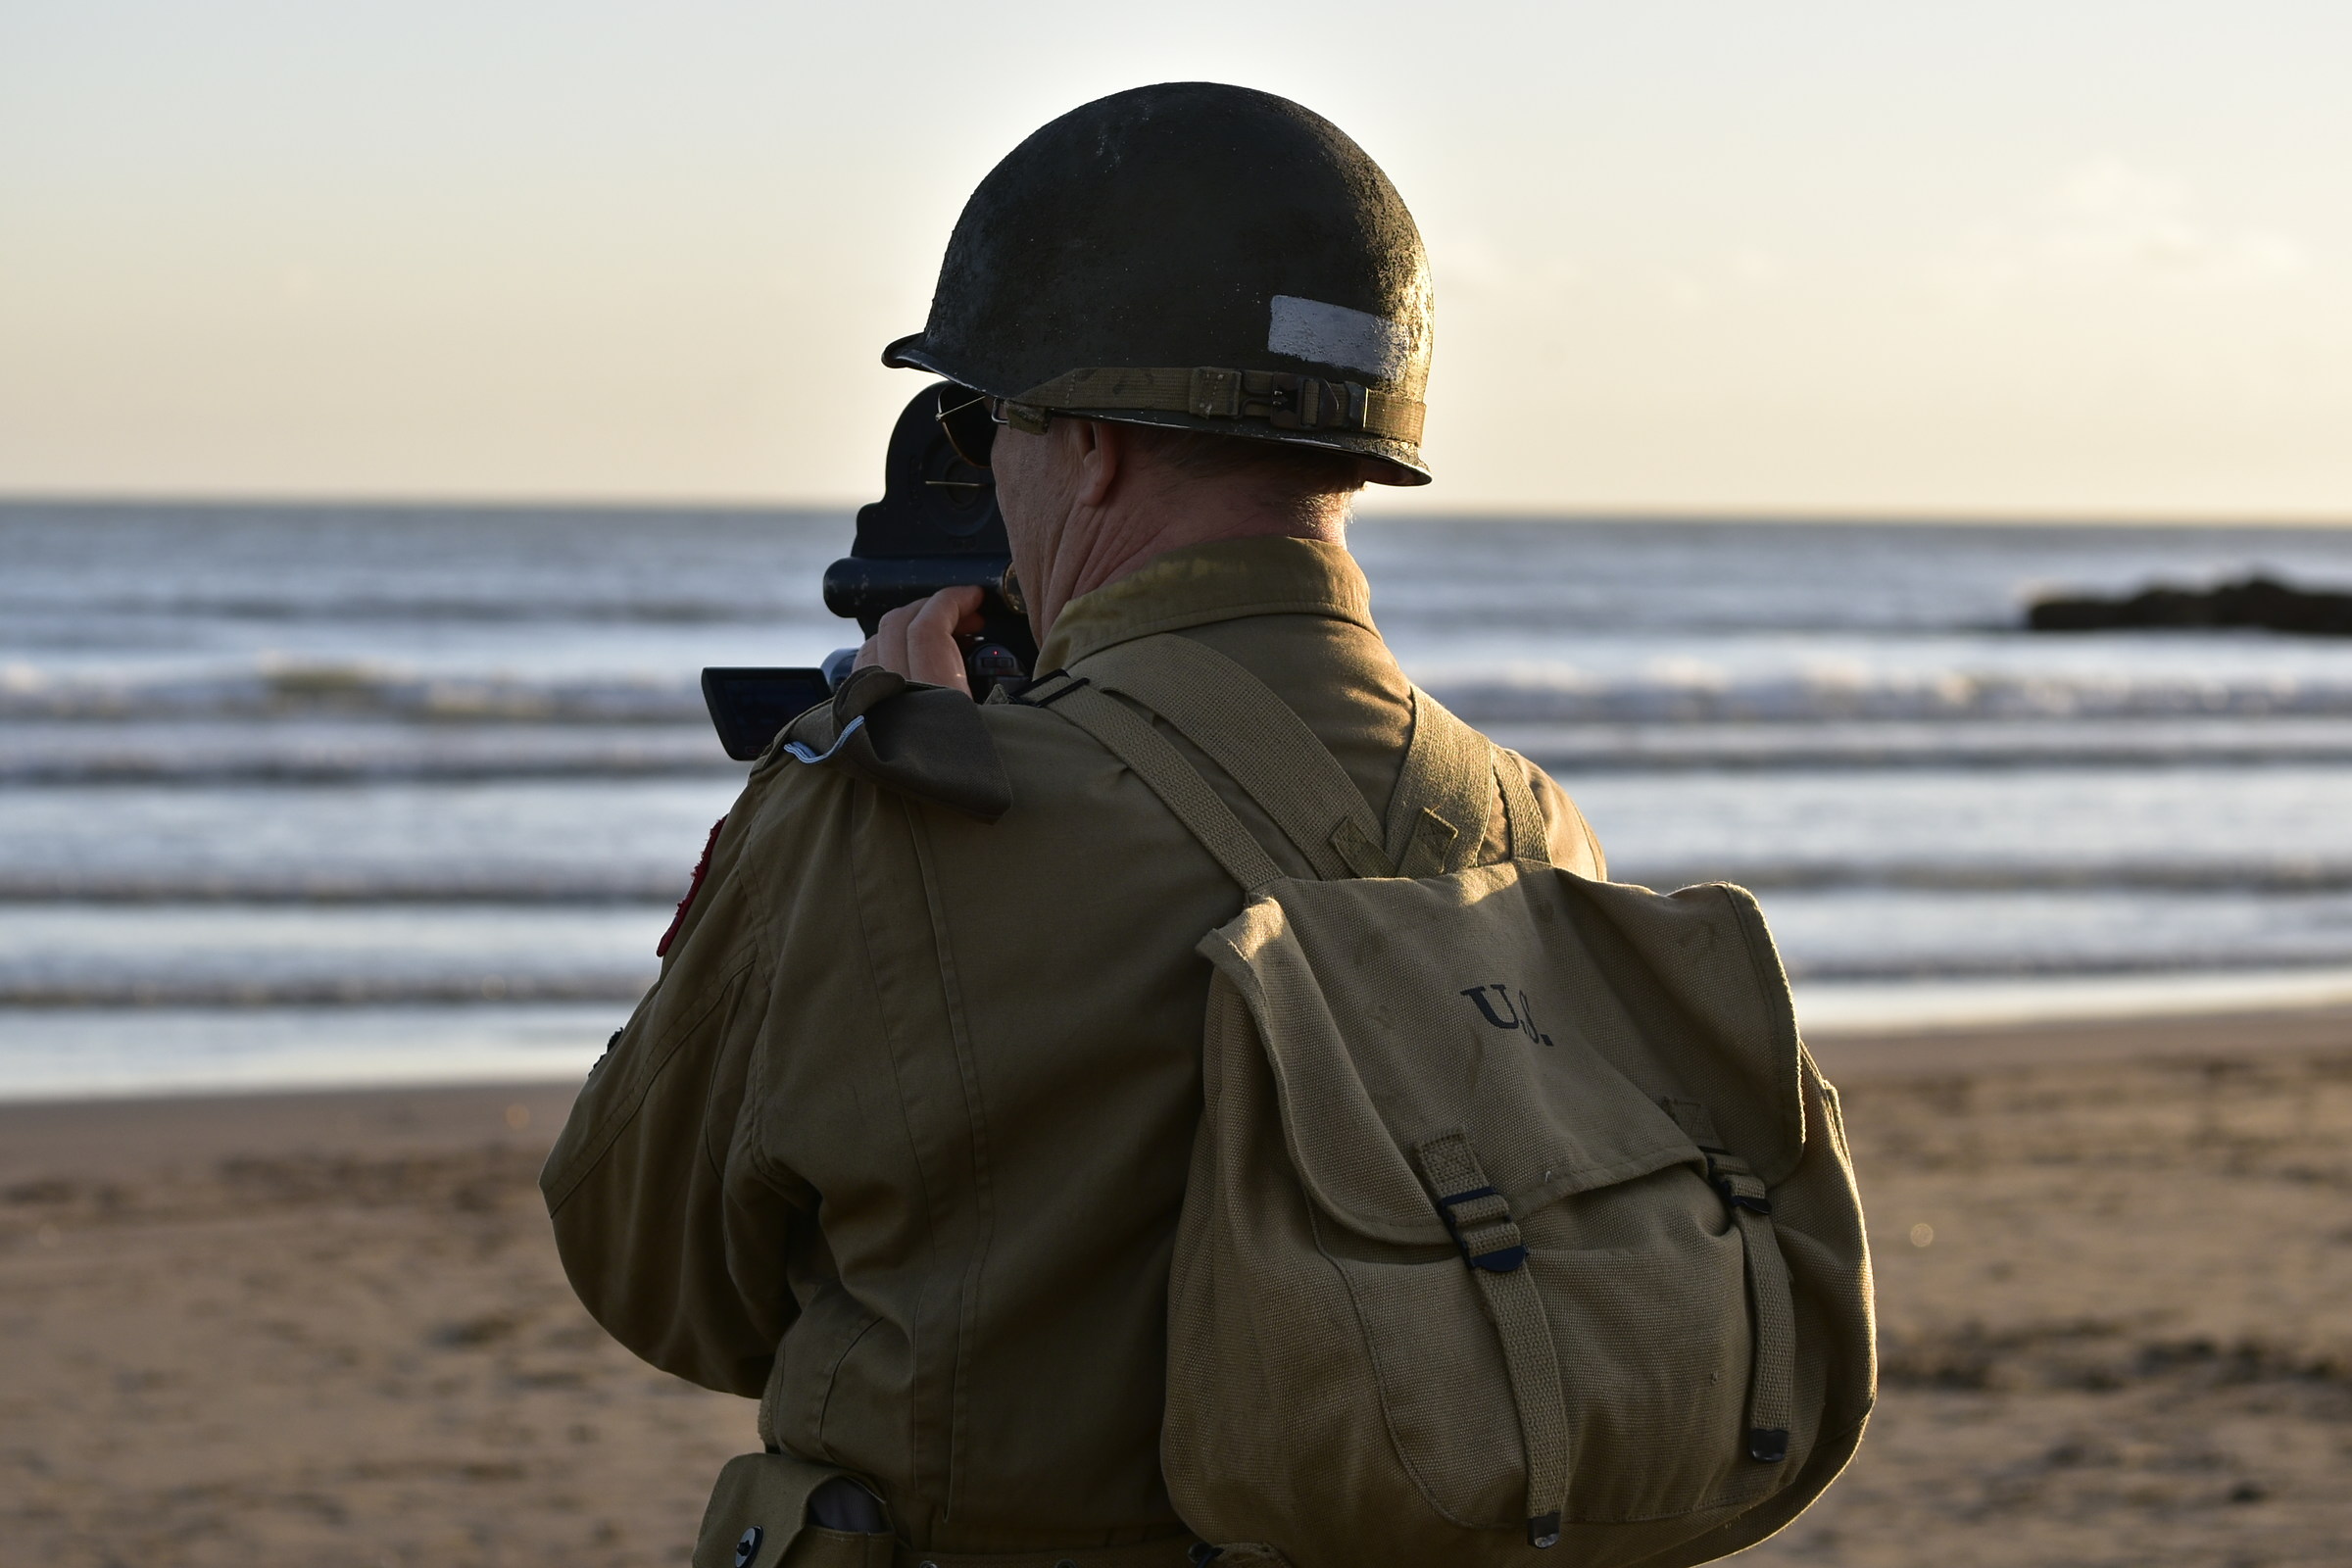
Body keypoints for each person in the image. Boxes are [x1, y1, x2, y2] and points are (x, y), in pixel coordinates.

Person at [542, 81, 1605, 1562]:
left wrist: (834, 774)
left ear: (1090, 441)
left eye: (998, 423)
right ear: (1363, 449)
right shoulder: (1530, 827)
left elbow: (652, 1268)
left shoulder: (884, 818)